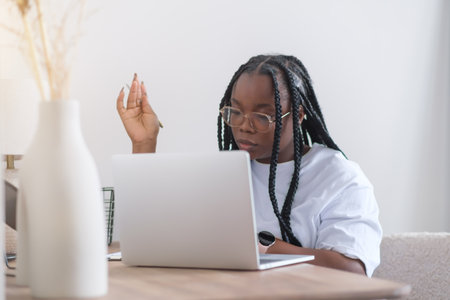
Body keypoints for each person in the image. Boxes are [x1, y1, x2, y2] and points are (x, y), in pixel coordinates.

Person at [116, 55, 382, 277]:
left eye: (262, 116)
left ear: (298, 115)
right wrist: (144, 143)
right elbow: (155, 237)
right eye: (235, 112)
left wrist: (264, 245)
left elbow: (351, 269)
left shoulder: (340, 178)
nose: (244, 125)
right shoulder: (226, 174)